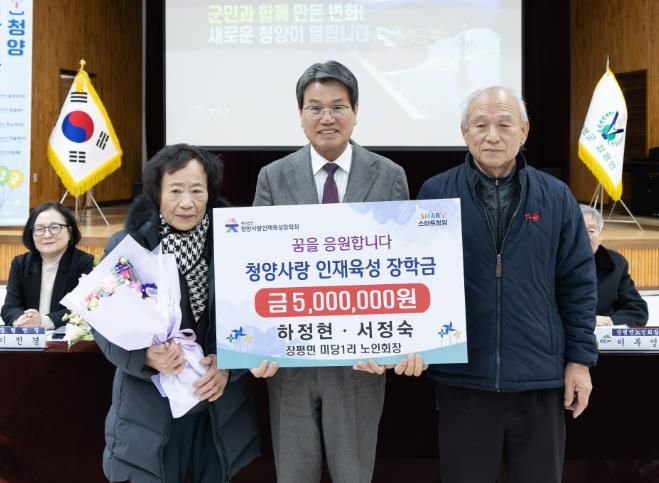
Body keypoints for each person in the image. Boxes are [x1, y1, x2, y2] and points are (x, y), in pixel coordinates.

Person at [417, 86, 598, 483]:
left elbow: (579, 284)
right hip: (464, 380)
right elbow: (419, 280)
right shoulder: (436, 194)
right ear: (464, 132)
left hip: (539, 379)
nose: (492, 136)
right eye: (480, 125)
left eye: (504, 124)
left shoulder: (556, 197)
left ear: (524, 131)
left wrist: (580, 360)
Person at [252, 60, 422, 483]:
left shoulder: (390, 176)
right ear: (300, 114)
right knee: (294, 475)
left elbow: (403, 266)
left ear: (356, 111)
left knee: (354, 475)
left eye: (338, 106)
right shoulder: (273, 177)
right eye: (315, 108)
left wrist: (401, 343)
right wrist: (254, 345)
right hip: (291, 364)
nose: (326, 117)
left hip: (362, 365)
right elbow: (255, 265)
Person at [94, 144, 259, 482]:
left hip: (217, 411)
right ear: (157, 193)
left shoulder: (237, 244)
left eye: (197, 190)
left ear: (210, 193)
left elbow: (257, 316)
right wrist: (144, 356)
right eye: (175, 190)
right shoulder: (129, 246)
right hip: (150, 412)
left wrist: (230, 364)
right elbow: (102, 323)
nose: (187, 202)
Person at [1, 202, 94, 328]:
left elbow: (85, 307)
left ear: (70, 232)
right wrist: (21, 320)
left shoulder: (84, 263)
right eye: (39, 229)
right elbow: (10, 307)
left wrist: (44, 321)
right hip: (29, 335)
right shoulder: (21, 263)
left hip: (65, 336)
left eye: (55, 227)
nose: (47, 235)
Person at [581, 204, 649, 326]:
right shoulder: (551, 263)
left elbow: (637, 310)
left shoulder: (615, 263)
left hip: (603, 334)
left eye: (591, 231)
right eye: (579, 230)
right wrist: (586, 320)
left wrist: (611, 321)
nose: (585, 236)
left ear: (600, 236)